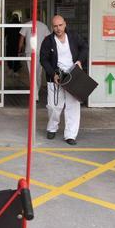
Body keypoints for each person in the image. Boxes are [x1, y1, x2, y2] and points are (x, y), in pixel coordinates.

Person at [39, 15, 88, 145]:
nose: (58, 28)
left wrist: (79, 61)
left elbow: (84, 47)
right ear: (52, 27)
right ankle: (52, 128)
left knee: (73, 106)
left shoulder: (73, 36)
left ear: (65, 24)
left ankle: (70, 135)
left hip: (73, 75)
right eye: (55, 26)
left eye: (60, 25)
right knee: (54, 106)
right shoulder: (48, 41)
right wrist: (52, 74)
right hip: (56, 77)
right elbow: (43, 59)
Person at [19, 13, 51, 96]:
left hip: (30, 52)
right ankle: (36, 91)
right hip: (41, 52)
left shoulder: (26, 25)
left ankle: (35, 93)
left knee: (32, 72)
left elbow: (21, 40)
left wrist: (19, 50)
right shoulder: (43, 26)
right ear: (39, 17)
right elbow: (47, 40)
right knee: (38, 73)